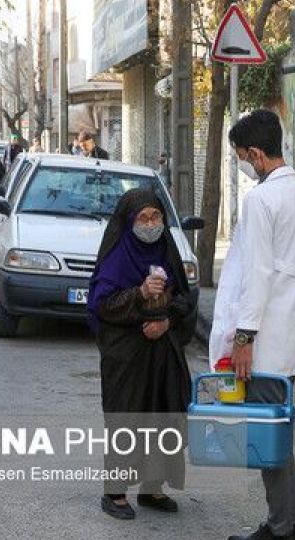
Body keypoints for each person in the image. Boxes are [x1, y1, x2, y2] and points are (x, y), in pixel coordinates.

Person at [211, 110, 295, 540]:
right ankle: (293, 525)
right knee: (278, 433)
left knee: (265, 435)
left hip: (265, 340)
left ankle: (280, 528)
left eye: (241, 157)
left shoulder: (261, 201)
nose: (243, 164)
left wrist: (243, 338)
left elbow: (257, 274)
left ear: (256, 154)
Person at [87, 189, 195, 520]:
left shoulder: (167, 249)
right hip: (127, 356)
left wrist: (166, 321)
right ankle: (115, 493)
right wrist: (140, 294)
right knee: (128, 420)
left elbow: (185, 298)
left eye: (156, 217)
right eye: (143, 218)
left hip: (163, 353)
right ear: (129, 221)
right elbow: (101, 304)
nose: (150, 224)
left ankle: (153, 487)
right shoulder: (118, 255)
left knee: (165, 415)